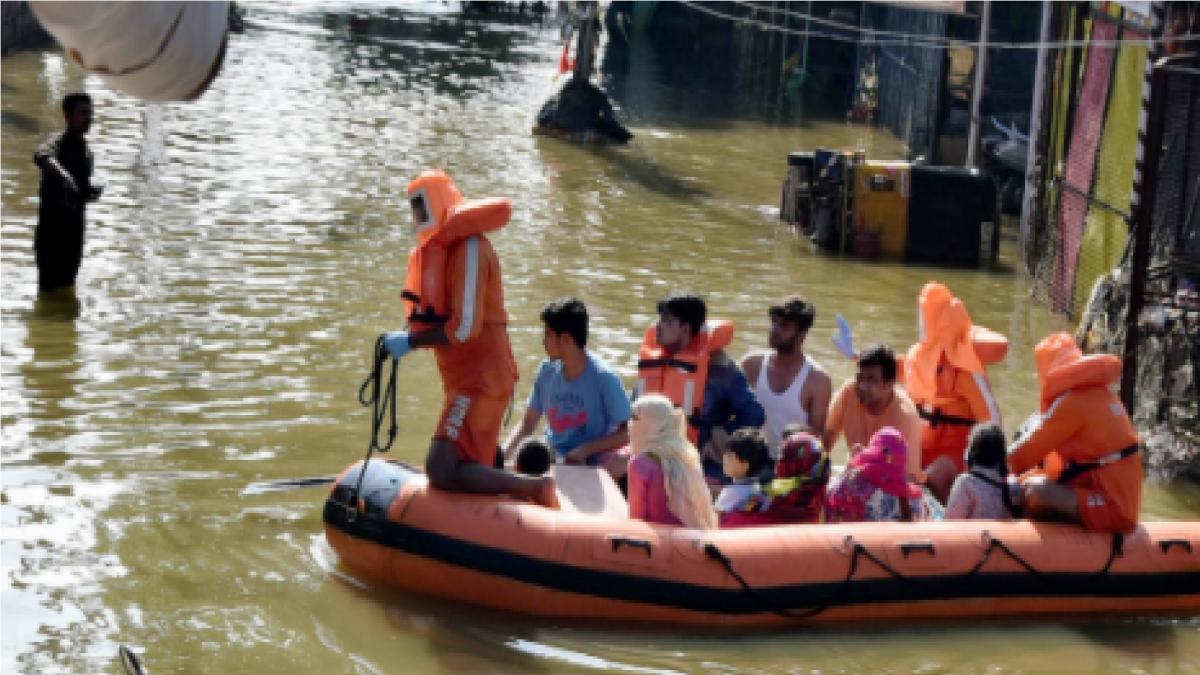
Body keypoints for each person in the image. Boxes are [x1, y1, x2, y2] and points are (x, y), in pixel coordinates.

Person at [383, 169, 556, 507]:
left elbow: (465, 328)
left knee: (441, 467)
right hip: (465, 381)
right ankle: (504, 496)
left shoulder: (469, 248)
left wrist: (410, 343)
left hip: (481, 382)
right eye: (413, 209)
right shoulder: (443, 251)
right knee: (465, 462)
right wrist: (409, 336)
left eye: (421, 208)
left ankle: (535, 488)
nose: (416, 218)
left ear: (438, 203)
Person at [1007, 333, 1142, 533]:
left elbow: (1026, 452)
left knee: (1034, 491)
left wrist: (988, 468)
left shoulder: (1073, 402)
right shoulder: (1100, 394)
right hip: (1115, 498)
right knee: (1029, 480)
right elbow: (1054, 465)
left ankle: (1027, 542)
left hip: (1113, 506)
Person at [635, 293, 764, 480]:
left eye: (667, 321)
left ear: (685, 329)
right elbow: (633, 410)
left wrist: (719, 437)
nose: (658, 326)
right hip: (654, 452)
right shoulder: (653, 362)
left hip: (701, 461)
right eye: (659, 319)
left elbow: (755, 414)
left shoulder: (720, 369)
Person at [502, 298, 632, 479]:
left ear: (566, 339)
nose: (543, 341)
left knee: (627, 461)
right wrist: (504, 455)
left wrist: (586, 450)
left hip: (594, 457)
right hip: (555, 452)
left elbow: (628, 432)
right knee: (530, 453)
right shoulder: (546, 370)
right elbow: (528, 424)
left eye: (548, 334)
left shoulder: (605, 377)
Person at [902, 282, 1006, 501]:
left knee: (933, 476)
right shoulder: (919, 356)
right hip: (922, 448)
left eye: (925, 314)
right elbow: (898, 370)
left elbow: (991, 418)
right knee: (893, 465)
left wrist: (994, 466)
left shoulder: (963, 366)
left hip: (957, 455)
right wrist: (859, 356)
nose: (921, 321)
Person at [741, 296, 833, 456]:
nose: (774, 329)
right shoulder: (751, 365)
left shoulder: (818, 380)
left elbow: (816, 438)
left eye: (783, 325)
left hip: (790, 462)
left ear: (802, 334)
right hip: (749, 459)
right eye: (774, 322)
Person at [823, 344, 924, 482]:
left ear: (889, 384)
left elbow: (909, 478)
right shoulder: (849, 391)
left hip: (890, 483)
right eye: (860, 377)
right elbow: (829, 433)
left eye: (871, 380)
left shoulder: (904, 416)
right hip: (855, 474)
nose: (862, 386)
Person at [33, 93, 102, 292]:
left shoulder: (87, 152)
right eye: (83, 113)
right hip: (51, 234)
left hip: (74, 235)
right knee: (47, 292)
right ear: (67, 116)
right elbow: (41, 156)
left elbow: (80, 190)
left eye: (90, 113)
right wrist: (65, 176)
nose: (88, 117)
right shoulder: (55, 143)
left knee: (67, 289)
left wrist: (90, 192)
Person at [626, 394, 717, 530]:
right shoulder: (686, 454)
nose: (629, 424)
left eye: (634, 418)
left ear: (652, 423)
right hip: (695, 535)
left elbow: (636, 519)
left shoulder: (639, 464)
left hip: (659, 540)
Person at [824, 427, 935, 523]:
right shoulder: (916, 500)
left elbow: (829, 497)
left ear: (873, 450)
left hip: (857, 539)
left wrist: (849, 468)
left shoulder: (856, 482)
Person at [944, 422, 1014, 520]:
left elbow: (950, 522)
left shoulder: (966, 484)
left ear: (972, 452)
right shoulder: (1011, 487)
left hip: (973, 530)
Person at [714, 428, 771, 517]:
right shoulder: (761, 492)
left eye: (729, 455)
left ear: (745, 465)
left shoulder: (732, 493)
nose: (724, 457)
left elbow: (716, 519)